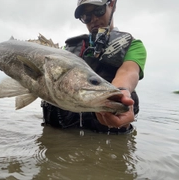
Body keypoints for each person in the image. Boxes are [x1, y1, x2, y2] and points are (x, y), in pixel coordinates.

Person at [41, 0, 147, 134]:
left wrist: (121, 91)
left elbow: (128, 71)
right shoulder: (67, 50)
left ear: (112, 4)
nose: (94, 19)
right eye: (86, 16)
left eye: (98, 11)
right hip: (60, 135)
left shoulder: (134, 45)